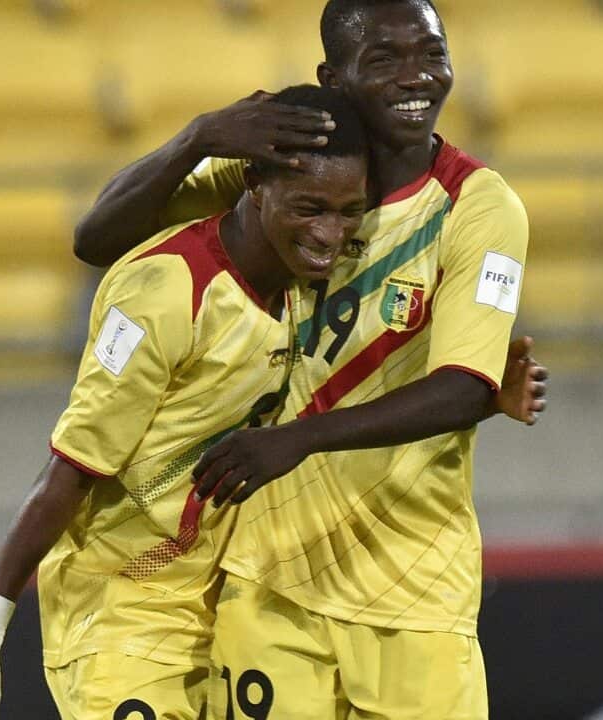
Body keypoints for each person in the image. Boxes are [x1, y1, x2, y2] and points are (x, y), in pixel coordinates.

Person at [72, 1, 535, 717]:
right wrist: (197, 138)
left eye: (432, 53)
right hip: (268, 579)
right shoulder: (287, 175)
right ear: (335, 76)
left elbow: (465, 387)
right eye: (385, 59)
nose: (417, 76)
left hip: (414, 589)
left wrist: (297, 439)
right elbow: (99, 238)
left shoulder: (478, 205)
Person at [0, 84, 372, 720]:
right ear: (252, 184)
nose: (331, 235)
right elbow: (69, 473)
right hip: (124, 610)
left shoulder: (301, 275)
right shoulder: (165, 295)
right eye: (310, 209)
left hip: (231, 608)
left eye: (349, 212)